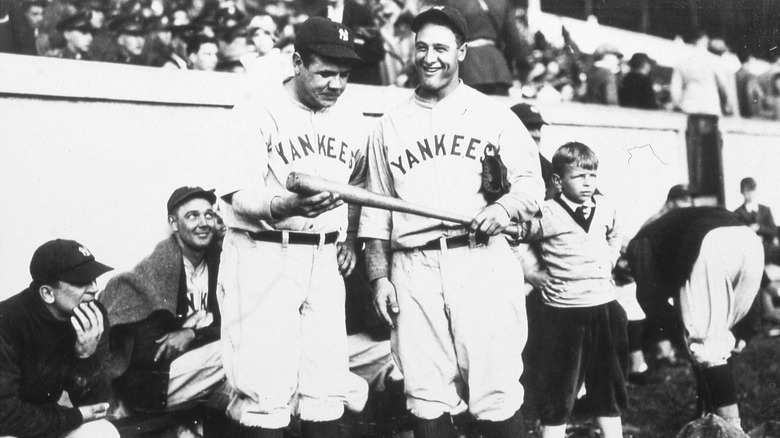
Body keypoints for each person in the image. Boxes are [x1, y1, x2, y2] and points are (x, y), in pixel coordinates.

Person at [359, 7, 544, 437]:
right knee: (424, 394)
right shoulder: (389, 125)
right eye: (421, 47)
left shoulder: (494, 115)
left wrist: (502, 210)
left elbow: (531, 187)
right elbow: (374, 213)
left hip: (478, 258)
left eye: (441, 48)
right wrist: (378, 279)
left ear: (461, 51)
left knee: (495, 389)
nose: (430, 57)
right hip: (413, 268)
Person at [217, 16, 366, 438]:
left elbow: (359, 184)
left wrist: (350, 237)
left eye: (344, 75)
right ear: (298, 62)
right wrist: (283, 204)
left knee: (325, 387)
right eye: (325, 73)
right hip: (264, 250)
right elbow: (236, 193)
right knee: (265, 391)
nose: (336, 85)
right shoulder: (255, 111)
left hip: (323, 258)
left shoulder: (352, 120)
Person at [516, 142, 626, 438]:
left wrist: (610, 258)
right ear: (557, 181)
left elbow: (615, 233)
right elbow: (516, 239)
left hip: (603, 306)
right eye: (579, 177)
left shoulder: (605, 206)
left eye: (592, 176)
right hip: (564, 312)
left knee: (608, 384)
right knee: (560, 388)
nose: (588, 183)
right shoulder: (547, 213)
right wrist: (532, 272)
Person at [100, 187, 232, 422]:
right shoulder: (159, 267)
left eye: (209, 215)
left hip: (200, 374)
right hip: (154, 385)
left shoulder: (220, 262)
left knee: (257, 394)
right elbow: (145, 350)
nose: (203, 223)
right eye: (192, 216)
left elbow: (238, 320)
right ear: (173, 223)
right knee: (236, 349)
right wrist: (189, 330)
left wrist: (192, 333)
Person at [627, 207, 764, 431]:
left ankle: (731, 430)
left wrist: (682, 334)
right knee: (719, 341)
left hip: (709, 245)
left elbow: (651, 301)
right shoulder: (670, 227)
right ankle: (711, 416)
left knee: (706, 346)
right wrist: (747, 328)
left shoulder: (636, 244)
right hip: (749, 241)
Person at [0, 239, 119, 438]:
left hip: (45, 421)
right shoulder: (7, 322)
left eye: (94, 279)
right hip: (9, 428)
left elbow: (96, 404)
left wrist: (87, 357)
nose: (93, 289)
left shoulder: (91, 314)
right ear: (47, 293)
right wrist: (76, 416)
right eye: (81, 282)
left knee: (103, 432)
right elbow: (6, 416)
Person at [448, 0, 528, 96]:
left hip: (467, 70)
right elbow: (513, 39)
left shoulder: (454, 2)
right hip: (498, 71)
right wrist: (517, 67)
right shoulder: (501, 2)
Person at [733, 177, 778, 260]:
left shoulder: (765, 210)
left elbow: (774, 230)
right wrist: (749, 230)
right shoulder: (737, 213)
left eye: (752, 190)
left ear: (756, 191)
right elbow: (737, 237)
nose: (750, 194)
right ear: (742, 192)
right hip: (749, 253)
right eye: (747, 191)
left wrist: (759, 228)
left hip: (768, 249)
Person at [735, 48, 764, 118]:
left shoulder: (735, 75)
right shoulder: (750, 76)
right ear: (749, 59)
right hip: (750, 113)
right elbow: (753, 95)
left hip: (739, 112)